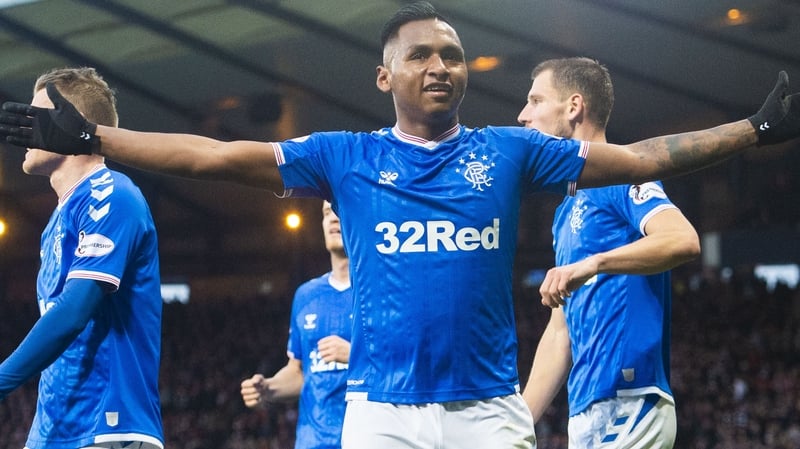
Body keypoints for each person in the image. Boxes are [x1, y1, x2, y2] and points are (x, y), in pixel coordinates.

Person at [0, 2, 798, 448]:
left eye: (452, 54)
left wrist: (754, 132)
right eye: (421, 55)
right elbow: (212, 155)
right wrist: (96, 138)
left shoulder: (511, 151)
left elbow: (646, 156)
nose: (441, 66)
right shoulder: (344, 158)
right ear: (386, 75)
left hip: (489, 413)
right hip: (380, 415)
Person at [517, 57, 700, 448]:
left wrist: (595, 262)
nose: (522, 115)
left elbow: (682, 239)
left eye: (535, 100)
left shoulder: (625, 176)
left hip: (629, 399)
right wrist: (516, 424)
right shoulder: (565, 211)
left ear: (574, 107)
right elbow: (559, 332)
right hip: (586, 408)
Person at [0, 68, 164, 448]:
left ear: (69, 125)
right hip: (57, 431)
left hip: (109, 428)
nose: (24, 126)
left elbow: (75, 309)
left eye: (36, 115)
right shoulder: (59, 217)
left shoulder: (112, 194)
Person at [240, 200, 352, 449]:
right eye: (326, 213)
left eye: (340, 210)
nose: (333, 218)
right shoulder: (306, 295)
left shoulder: (380, 291)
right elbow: (300, 372)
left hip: (367, 438)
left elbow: (403, 363)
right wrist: (268, 388)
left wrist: (356, 355)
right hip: (312, 442)